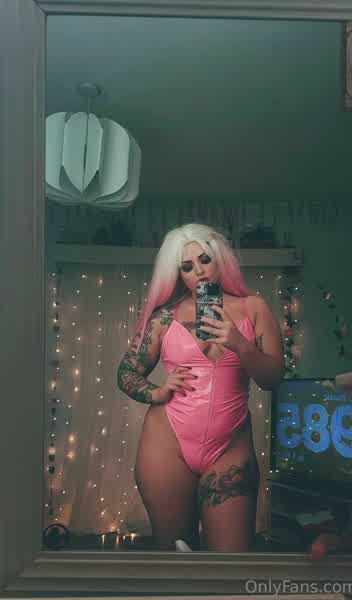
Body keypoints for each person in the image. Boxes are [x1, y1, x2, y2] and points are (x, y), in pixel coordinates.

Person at [117, 223, 284, 552]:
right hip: (167, 446)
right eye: (187, 266)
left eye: (205, 259)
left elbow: (273, 379)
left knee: (231, 562)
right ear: (178, 274)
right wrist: (157, 392)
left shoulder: (253, 308)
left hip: (230, 446)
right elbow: (126, 372)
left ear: (220, 259)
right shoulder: (164, 318)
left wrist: (240, 344)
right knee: (176, 556)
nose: (199, 271)